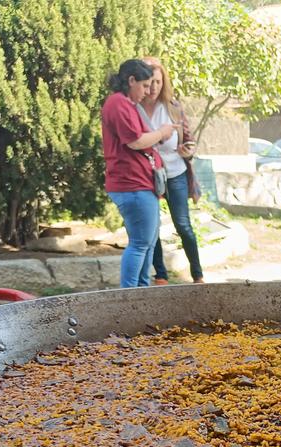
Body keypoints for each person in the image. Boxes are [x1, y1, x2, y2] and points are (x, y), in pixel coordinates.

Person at [101, 59, 178, 289]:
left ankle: (141, 292)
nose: (147, 92)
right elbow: (135, 142)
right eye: (144, 86)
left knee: (148, 242)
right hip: (131, 184)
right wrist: (162, 132)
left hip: (141, 183)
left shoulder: (126, 104)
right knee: (140, 243)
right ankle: (129, 295)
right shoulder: (118, 103)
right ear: (131, 80)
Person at [139, 56, 204, 285]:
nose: (154, 87)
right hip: (147, 175)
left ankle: (197, 275)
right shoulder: (134, 108)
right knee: (151, 226)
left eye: (158, 81)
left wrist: (188, 150)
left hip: (175, 172)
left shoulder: (173, 107)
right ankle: (161, 275)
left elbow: (189, 139)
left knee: (183, 225)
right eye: (149, 82)